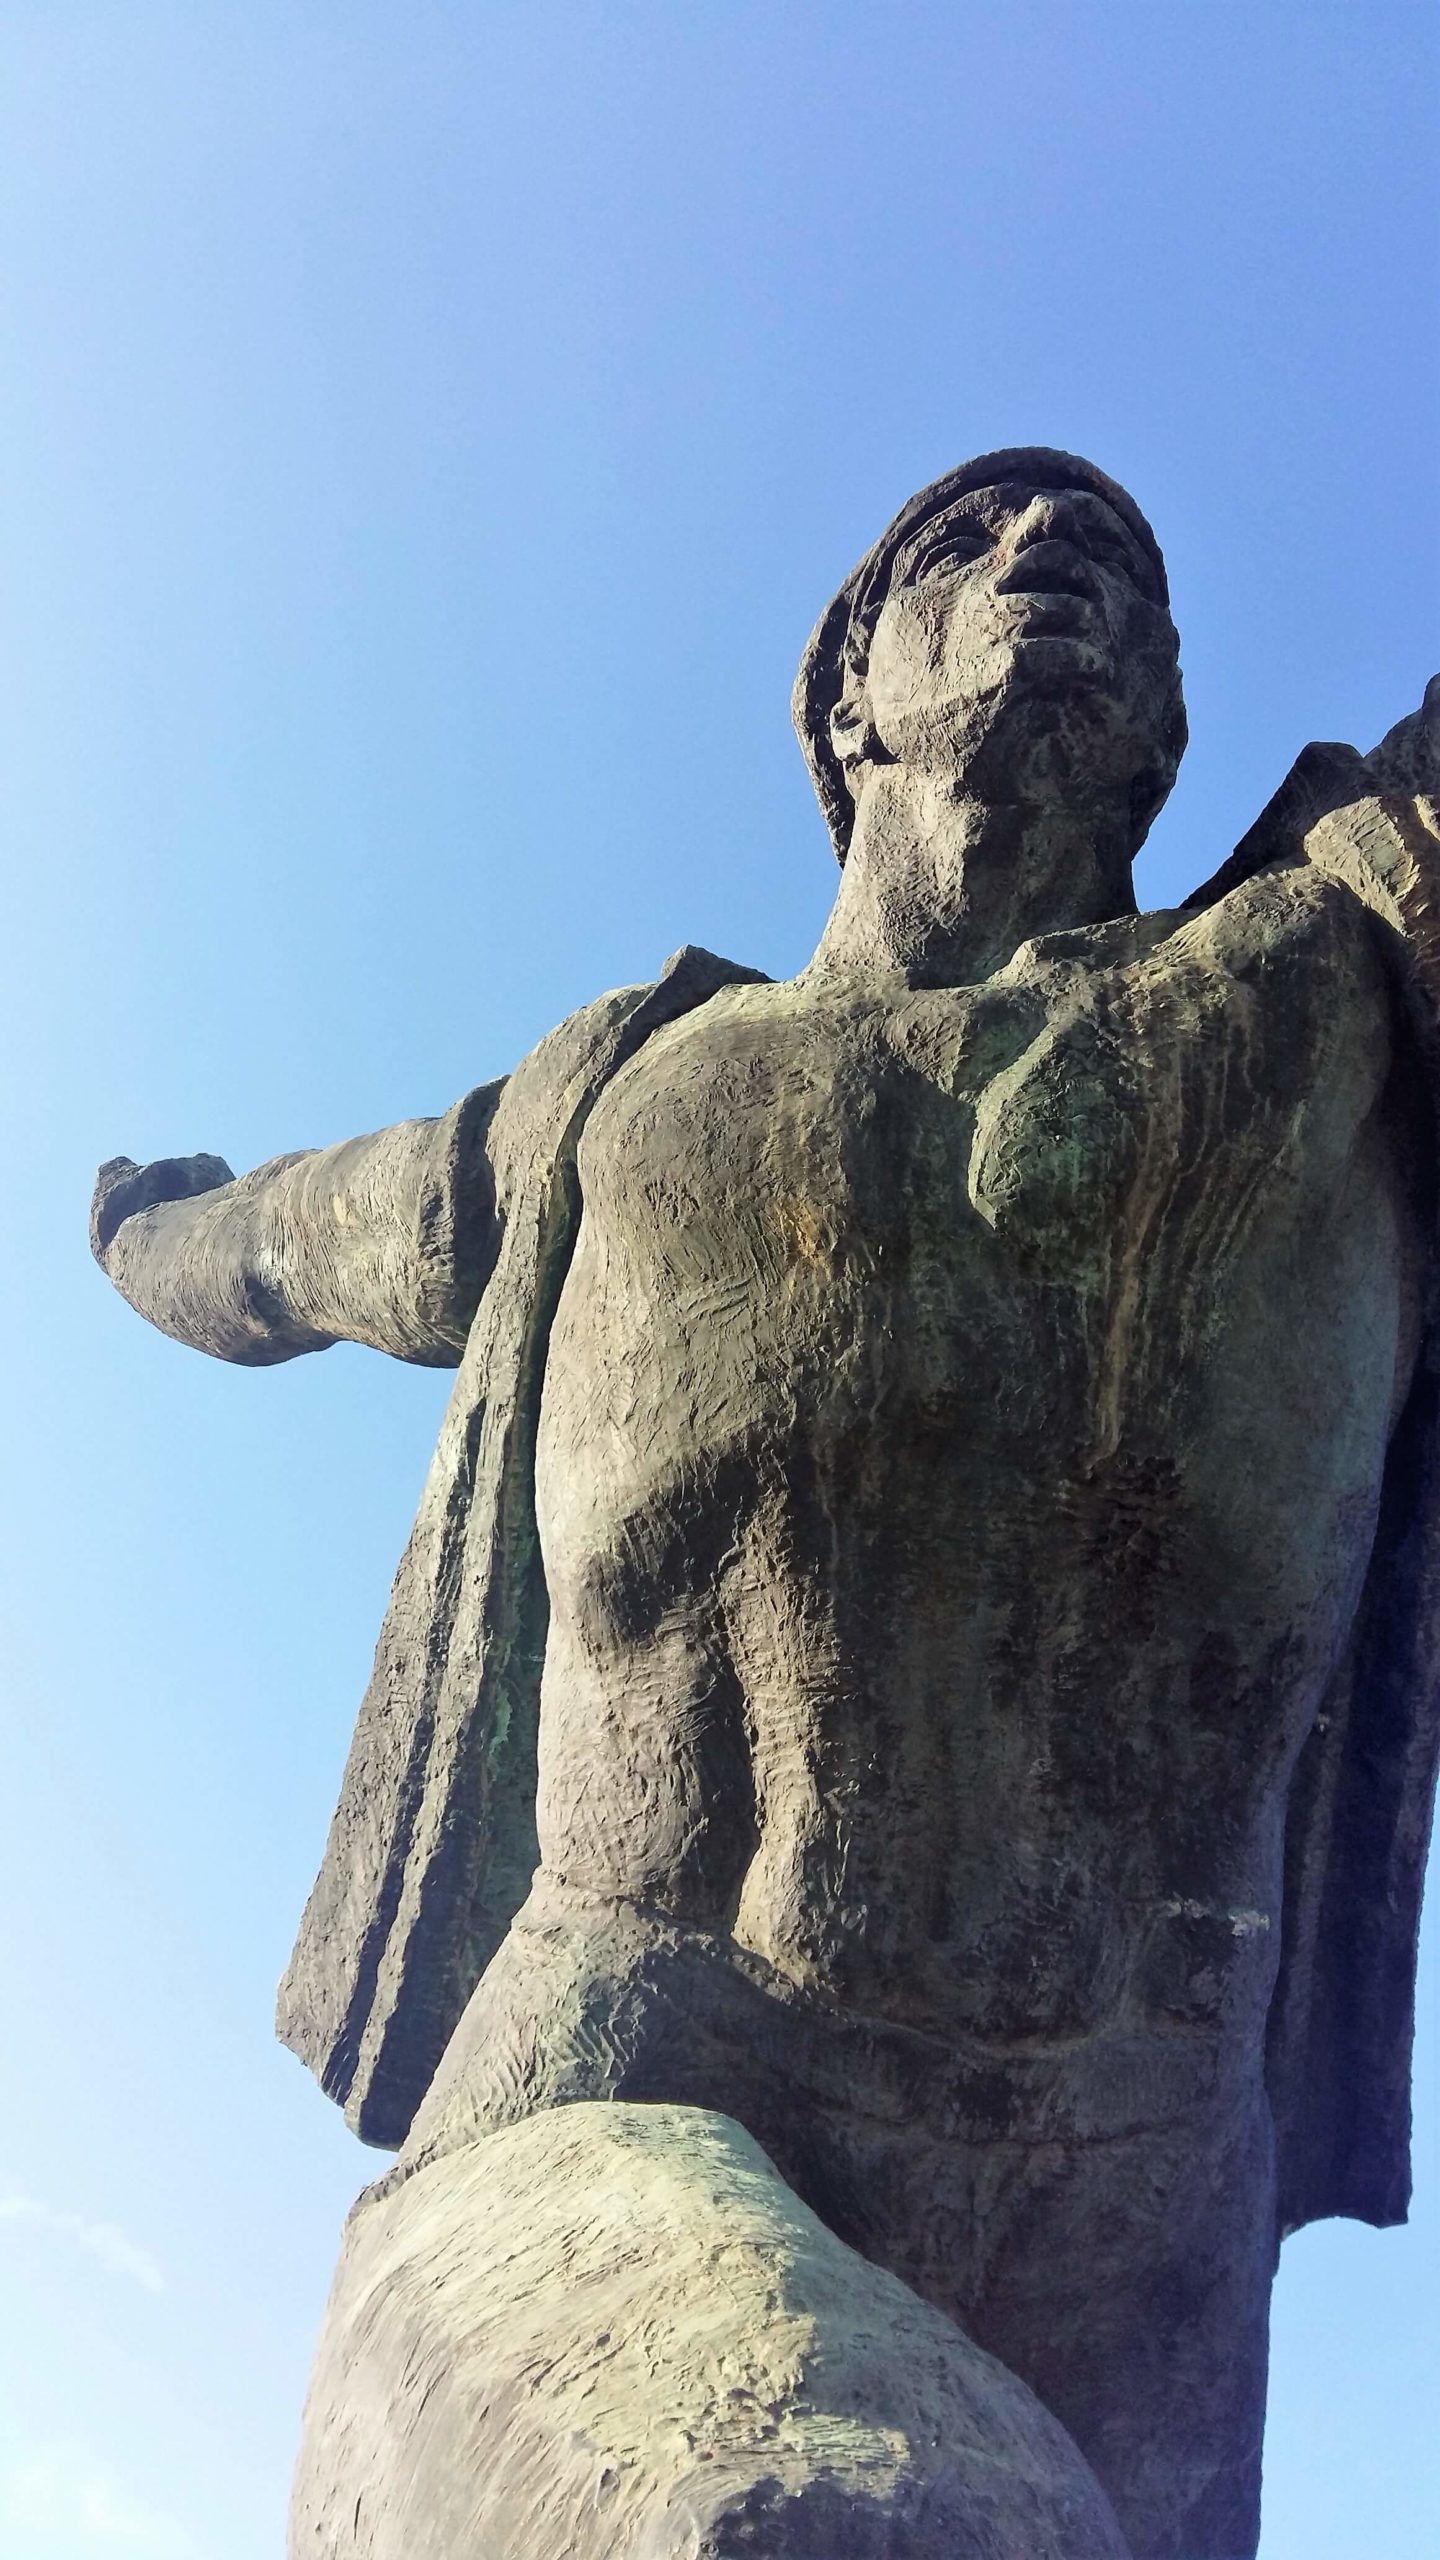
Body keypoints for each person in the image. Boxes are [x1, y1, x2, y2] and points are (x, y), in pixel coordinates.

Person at [93, 451, 1440, 2560]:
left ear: (1170, 736)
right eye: (964, 542)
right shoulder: (632, 1094)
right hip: (634, 2063)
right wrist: (149, 1237)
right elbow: (307, 1239)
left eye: (1115, 570)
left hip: (1140, 2185)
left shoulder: (1318, 987)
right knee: (828, 2493)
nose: (1050, 555)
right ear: (848, 694)